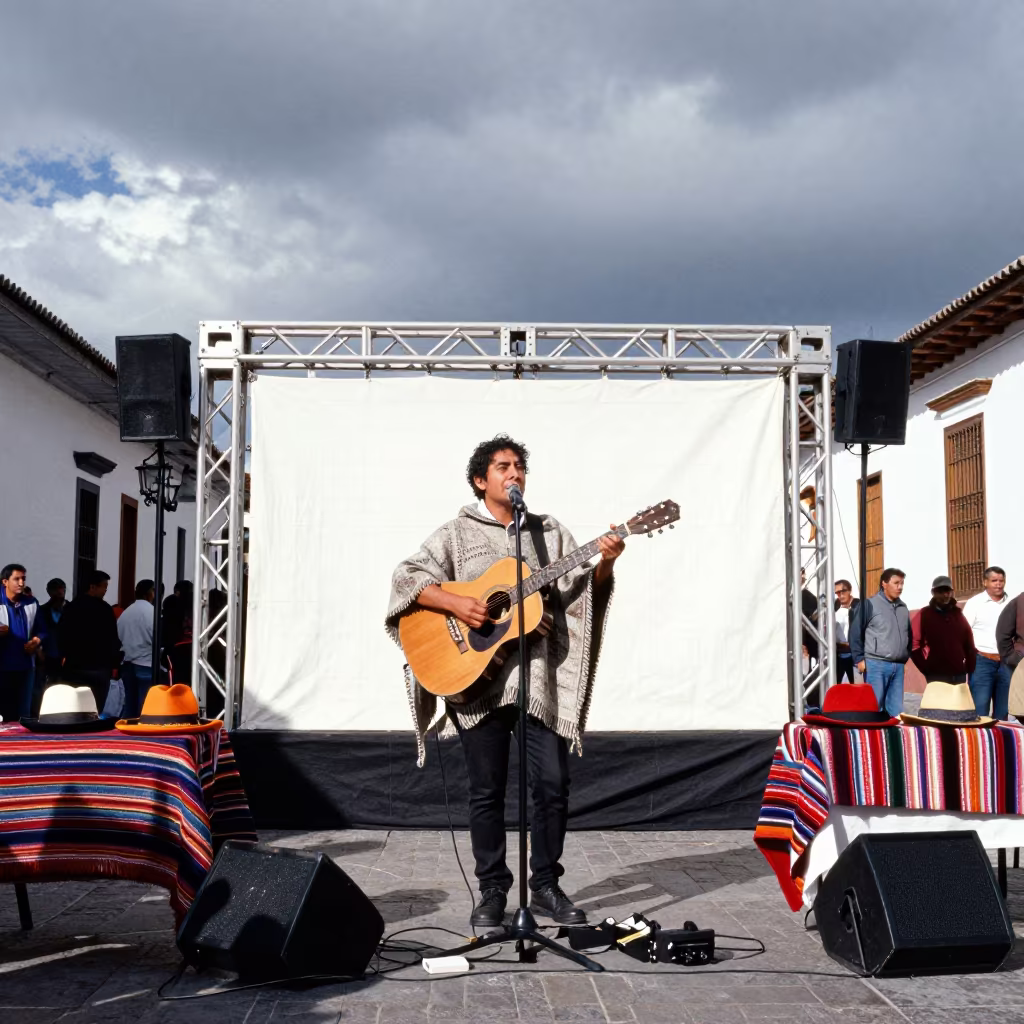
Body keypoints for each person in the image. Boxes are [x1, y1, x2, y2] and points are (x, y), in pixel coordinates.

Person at [386, 435, 622, 929]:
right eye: (502, 467)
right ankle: (493, 890)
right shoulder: (456, 534)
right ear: (480, 480)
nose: (514, 475)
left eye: (519, 467)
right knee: (486, 791)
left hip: (539, 684)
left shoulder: (548, 533)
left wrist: (605, 563)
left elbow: (581, 598)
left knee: (553, 786)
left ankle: (546, 887)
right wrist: (457, 604)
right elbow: (407, 579)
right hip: (479, 686)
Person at [850, 568, 911, 718]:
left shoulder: (903, 608)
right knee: (873, 708)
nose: (900, 587)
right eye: (896, 583)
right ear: (884, 583)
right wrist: (859, 659)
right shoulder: (869, 605)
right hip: (875, 665)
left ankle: (893, 740)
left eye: (902, 583)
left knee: (896, 712)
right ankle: (872, 739)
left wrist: (904, 658)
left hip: (898, 666)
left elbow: (908, 634)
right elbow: (855, 633)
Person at [59, 569, 121, 712]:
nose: (105, 590)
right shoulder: (104, 609)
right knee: (95, 709)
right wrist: (114, 662)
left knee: (74, 708)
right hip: (99, 667)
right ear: (92, 587)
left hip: (74, 666)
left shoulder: (71, 607)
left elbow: (62, 636)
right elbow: (112, 638)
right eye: (104, 586)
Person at [963, 566, 1012, 720]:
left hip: (1006, 663)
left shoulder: (1011, 603)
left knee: (1003, 711)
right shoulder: (974, 603)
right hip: (982, 662)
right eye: (994, 581)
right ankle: (980, 742)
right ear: (985, 582)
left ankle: (1001, 742)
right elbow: (964, 632)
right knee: (980, 709)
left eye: (1001, 580)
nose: (998, 584)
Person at [910, 575, 976, 684]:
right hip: (936, 674)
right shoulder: (924, 614)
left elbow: (968, 641)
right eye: (941, 591)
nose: (946, 595)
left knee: (958, 702)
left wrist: (969, 667)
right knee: (939, 702)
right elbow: (914, 644)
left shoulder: (958, 614)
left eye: (948, 591)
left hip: (959, 673)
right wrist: (925, 668)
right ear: (933, 593)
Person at [0, 564, 45, 723]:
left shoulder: (31, 602)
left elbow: (42, 630)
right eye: (16, 579)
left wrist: (36, 641)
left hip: (25, 666)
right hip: (2, 666)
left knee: (23, 714)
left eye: (23, 579)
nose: (21, 583)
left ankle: (23, 745)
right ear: (5, 581)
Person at [117, 579, 156, 719]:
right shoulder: (152, 612)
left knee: (129, 704)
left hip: (127, 663)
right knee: (144, 706)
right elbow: (156, 637)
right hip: (146, 662)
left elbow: (118, 636)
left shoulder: (126, 613)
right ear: (150, 593)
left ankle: (126, 735)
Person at [833, 579, 860, 683]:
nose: (840, 595)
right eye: (837, 593)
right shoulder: (835, 606)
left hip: (854, 654)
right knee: (837, 686)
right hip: (839, 653)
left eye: (843, 591)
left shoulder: (858, 606)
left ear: (850, 591)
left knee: (857, 688)